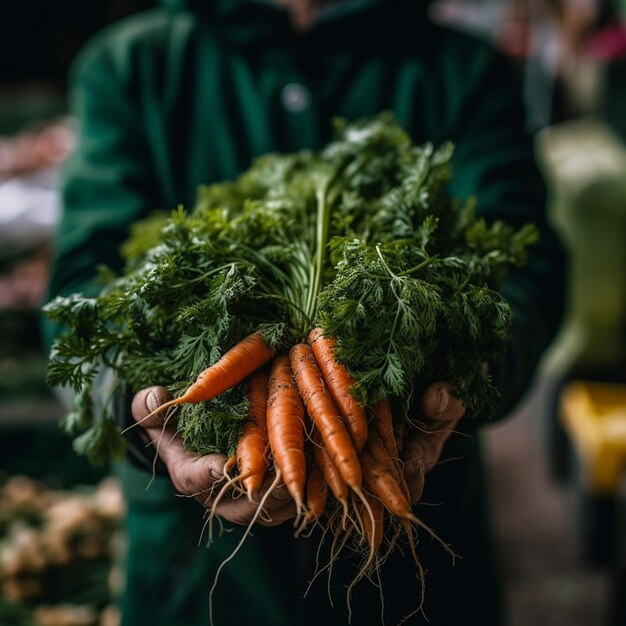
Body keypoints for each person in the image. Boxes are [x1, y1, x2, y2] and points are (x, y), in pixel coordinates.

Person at [44, 0, 565, 624]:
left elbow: (524, 273)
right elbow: (83, 288)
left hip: (411, 538)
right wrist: (142, 409)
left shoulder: (462, 68)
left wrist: (463, 377)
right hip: (199, 573)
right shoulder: (130, 65)